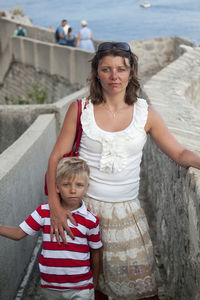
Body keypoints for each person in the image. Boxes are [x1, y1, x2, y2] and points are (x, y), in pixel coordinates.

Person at [46, 42, 200, 300]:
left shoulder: (145, 114)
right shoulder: (80, 110)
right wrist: (55, 207)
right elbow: (55, 159)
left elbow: (179, 153)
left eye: (121, 69)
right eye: (106, 69)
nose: (114, 76)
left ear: (131, 72)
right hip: (83, 211)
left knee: (144, 289)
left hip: (126, 213)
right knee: (93, 288)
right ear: (97, 73)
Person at [0, 157, 102, 300]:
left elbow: (95, 253)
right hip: (50, 287)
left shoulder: (90, 220)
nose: (73, 190)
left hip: (81, 287)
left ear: (87, 187)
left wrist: (94, 282)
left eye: (79, 185)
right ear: (57, 187)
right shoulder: (44, 212)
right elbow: (18, 234)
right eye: (66, 184)